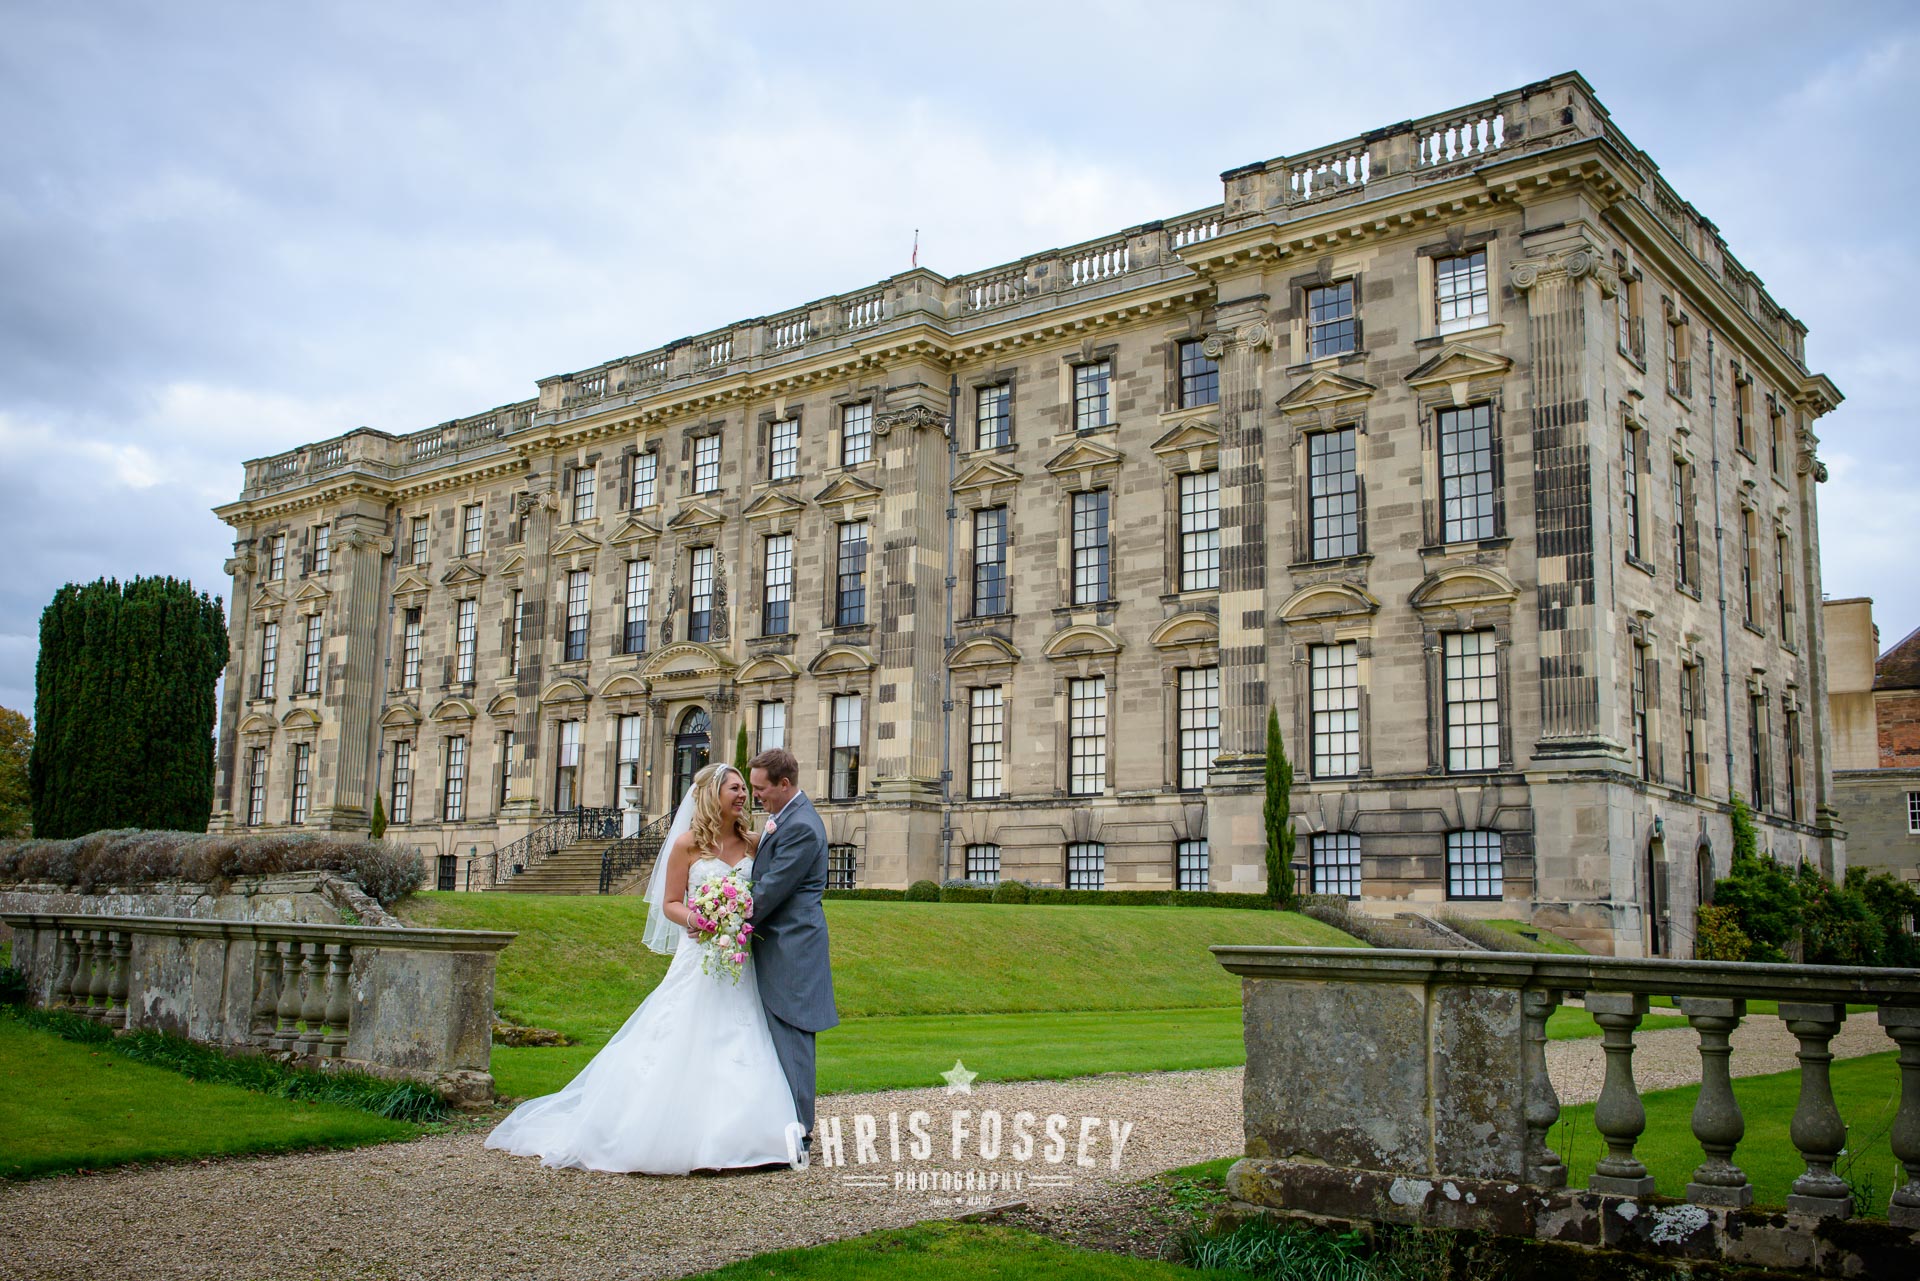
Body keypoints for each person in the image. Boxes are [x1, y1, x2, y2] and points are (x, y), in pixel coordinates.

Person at [483, 762, 807, 1174]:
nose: (743, 795)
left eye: (745, 788)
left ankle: (751, 1140)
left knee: (742, 1036)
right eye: (734, 788)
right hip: (699, 953)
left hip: (738, 960)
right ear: (712, 796)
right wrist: (698, 918)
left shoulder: (753, 844)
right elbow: (670, 902)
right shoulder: (687, 845)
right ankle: (671, 1135)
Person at [745, 747, 839, 1142]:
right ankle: (782, 1121)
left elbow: (769, 892)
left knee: (793, 1035)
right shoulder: (785, 818)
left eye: (761, 789)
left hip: (793, 946)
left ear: (785, 784)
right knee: (778, 1037)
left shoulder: (800, 825)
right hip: (781, 943)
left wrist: (718, 919)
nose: (756, 797)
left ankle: (800, 1130)